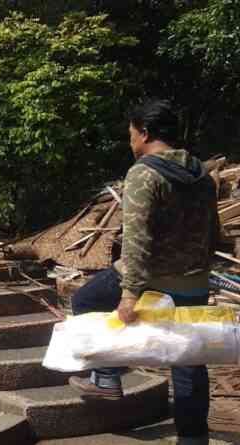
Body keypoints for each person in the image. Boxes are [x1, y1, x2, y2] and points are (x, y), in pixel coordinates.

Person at [68, 100, 218, 445]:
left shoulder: (144, 173)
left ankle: (106, 376)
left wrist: (130, 293)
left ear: (145, 133)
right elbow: (214, 231)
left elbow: (137, 239)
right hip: (194, 281)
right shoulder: (202, 174)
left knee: (86, 300)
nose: (131, 142)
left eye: (131, 134)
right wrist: (201, 272)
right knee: (188, 362)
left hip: (151, 280)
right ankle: (194, 438)